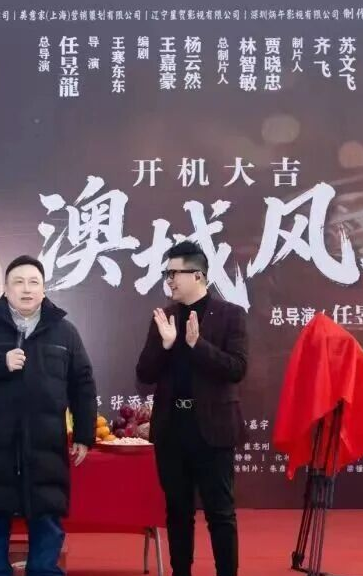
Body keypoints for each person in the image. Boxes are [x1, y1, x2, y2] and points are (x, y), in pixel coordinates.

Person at [0, 255, 97, 576]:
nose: (26, 289)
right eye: (18, 282)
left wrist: (85, 435)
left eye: (34, 282)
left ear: (44, 290)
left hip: (45, 449)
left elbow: (83, 384)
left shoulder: (64, 332)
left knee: (47, 528)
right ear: (5, 288)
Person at [135, 240, 248, 576]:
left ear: (197, 275)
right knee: (177, 512)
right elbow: (144, 374)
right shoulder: (164, 317)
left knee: (220, 513)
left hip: (213, 430)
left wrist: (198, 345)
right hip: (172, 429)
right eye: (166, 273)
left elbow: (237, 368)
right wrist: (166, 345)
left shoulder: (230, 315)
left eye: (175, 273)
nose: (169, 280)